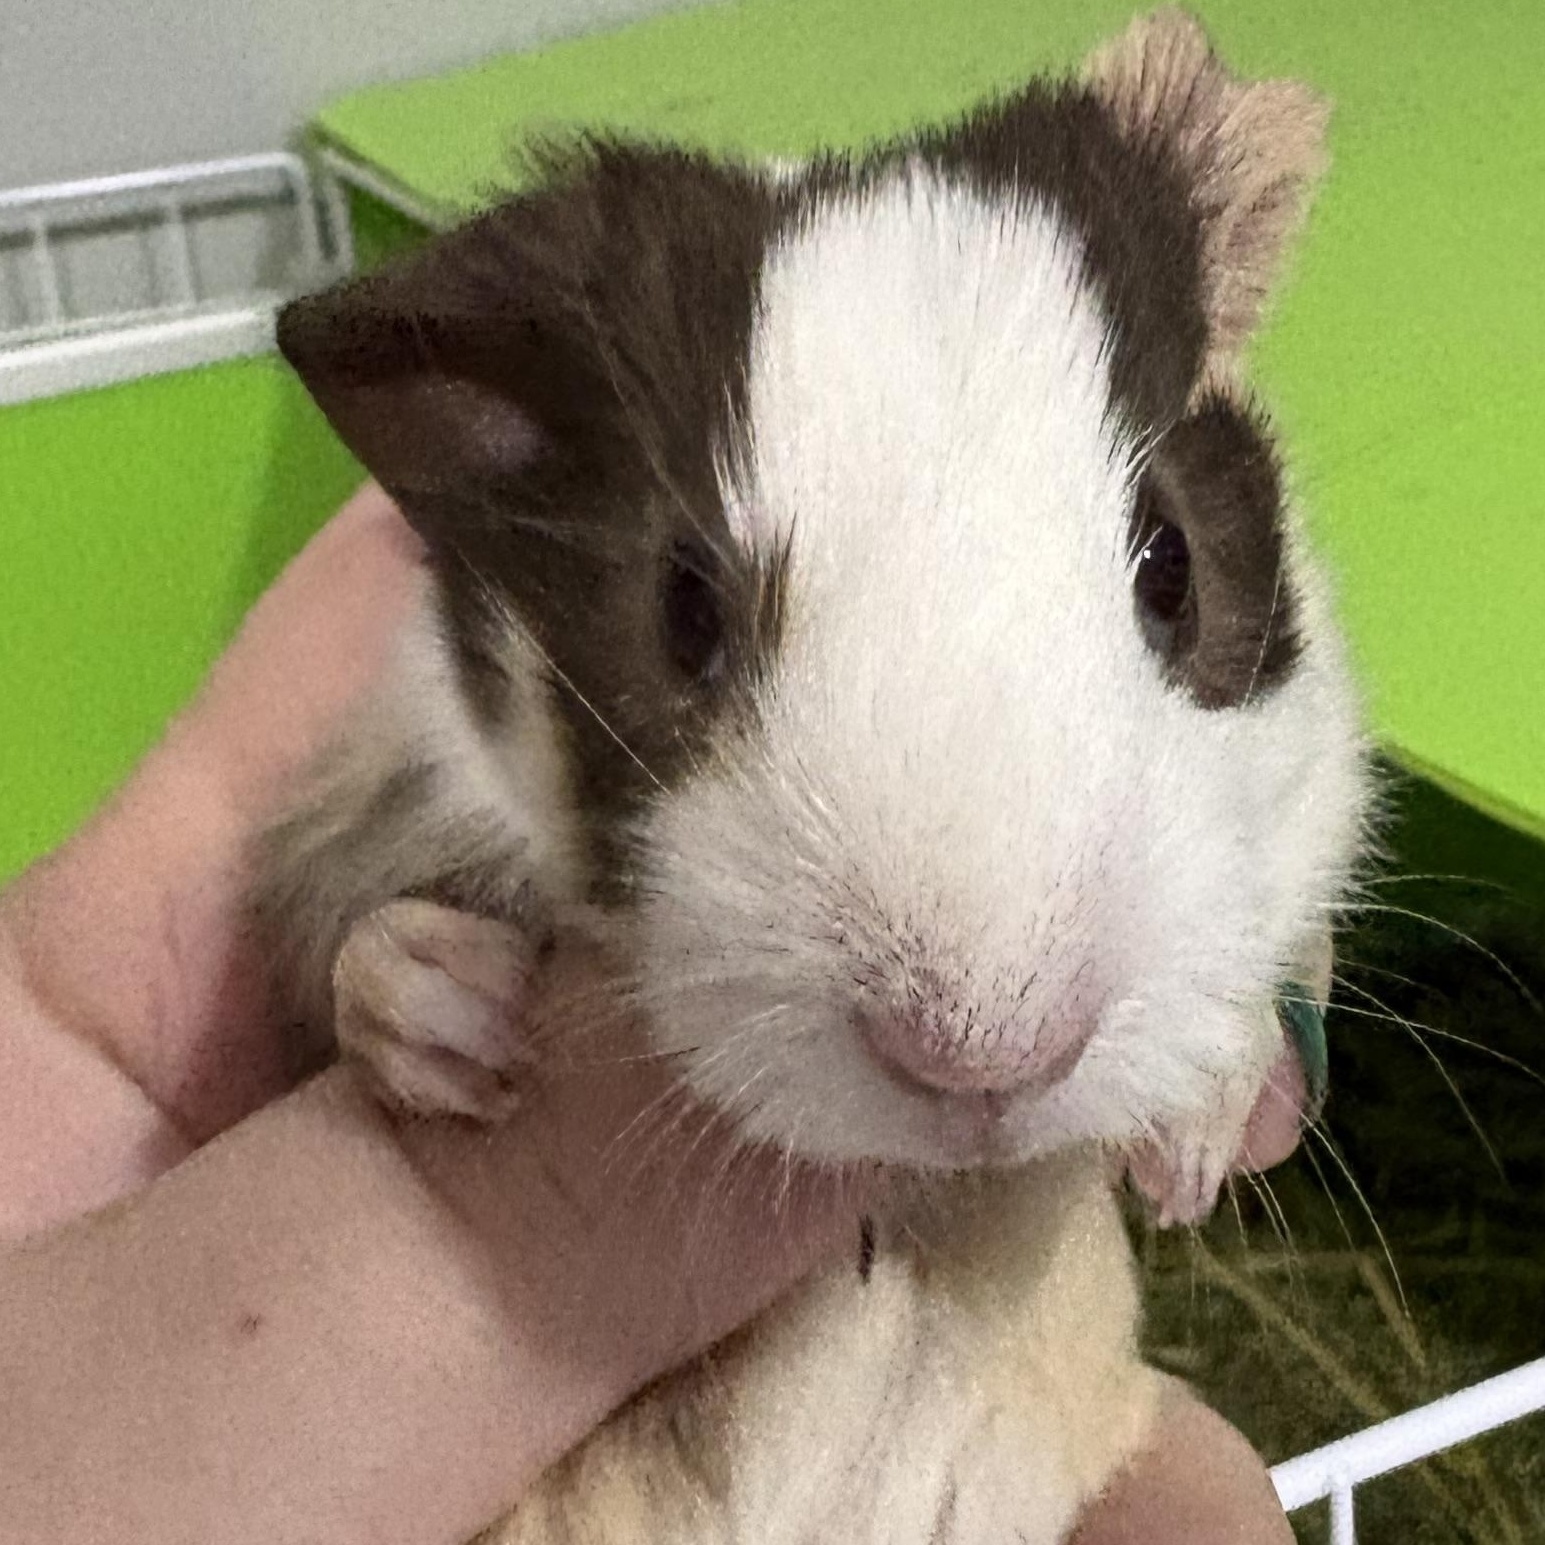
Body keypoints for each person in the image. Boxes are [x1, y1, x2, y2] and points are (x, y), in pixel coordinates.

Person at [0, 482, 1293, 1544]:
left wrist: (1216, 1023)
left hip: (996, 1423)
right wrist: (378, 971)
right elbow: (320, 882)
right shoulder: (483, 716)